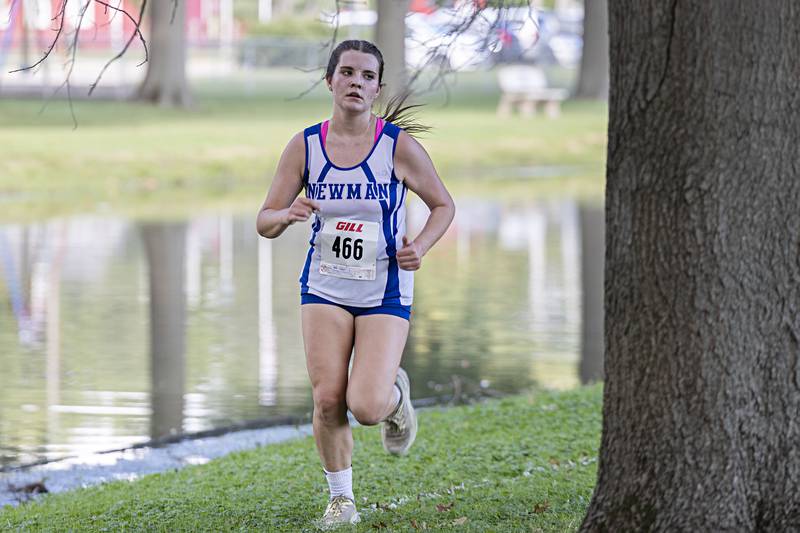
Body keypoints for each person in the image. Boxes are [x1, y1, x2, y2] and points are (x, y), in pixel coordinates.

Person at [256, 39, 455, 529]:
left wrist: (421, 247)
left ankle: (396, 399)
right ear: (330, 81)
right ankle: (341, 500)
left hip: (385, 287)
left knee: (365, 405)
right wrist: (288, 213)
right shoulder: (304, 145)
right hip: (324, 285)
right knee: (327, 398)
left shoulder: (397, 147)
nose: (356, 83)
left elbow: (443, 206)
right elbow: (264, 220)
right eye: (347, 73)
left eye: (367, 76)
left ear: (377, 88)